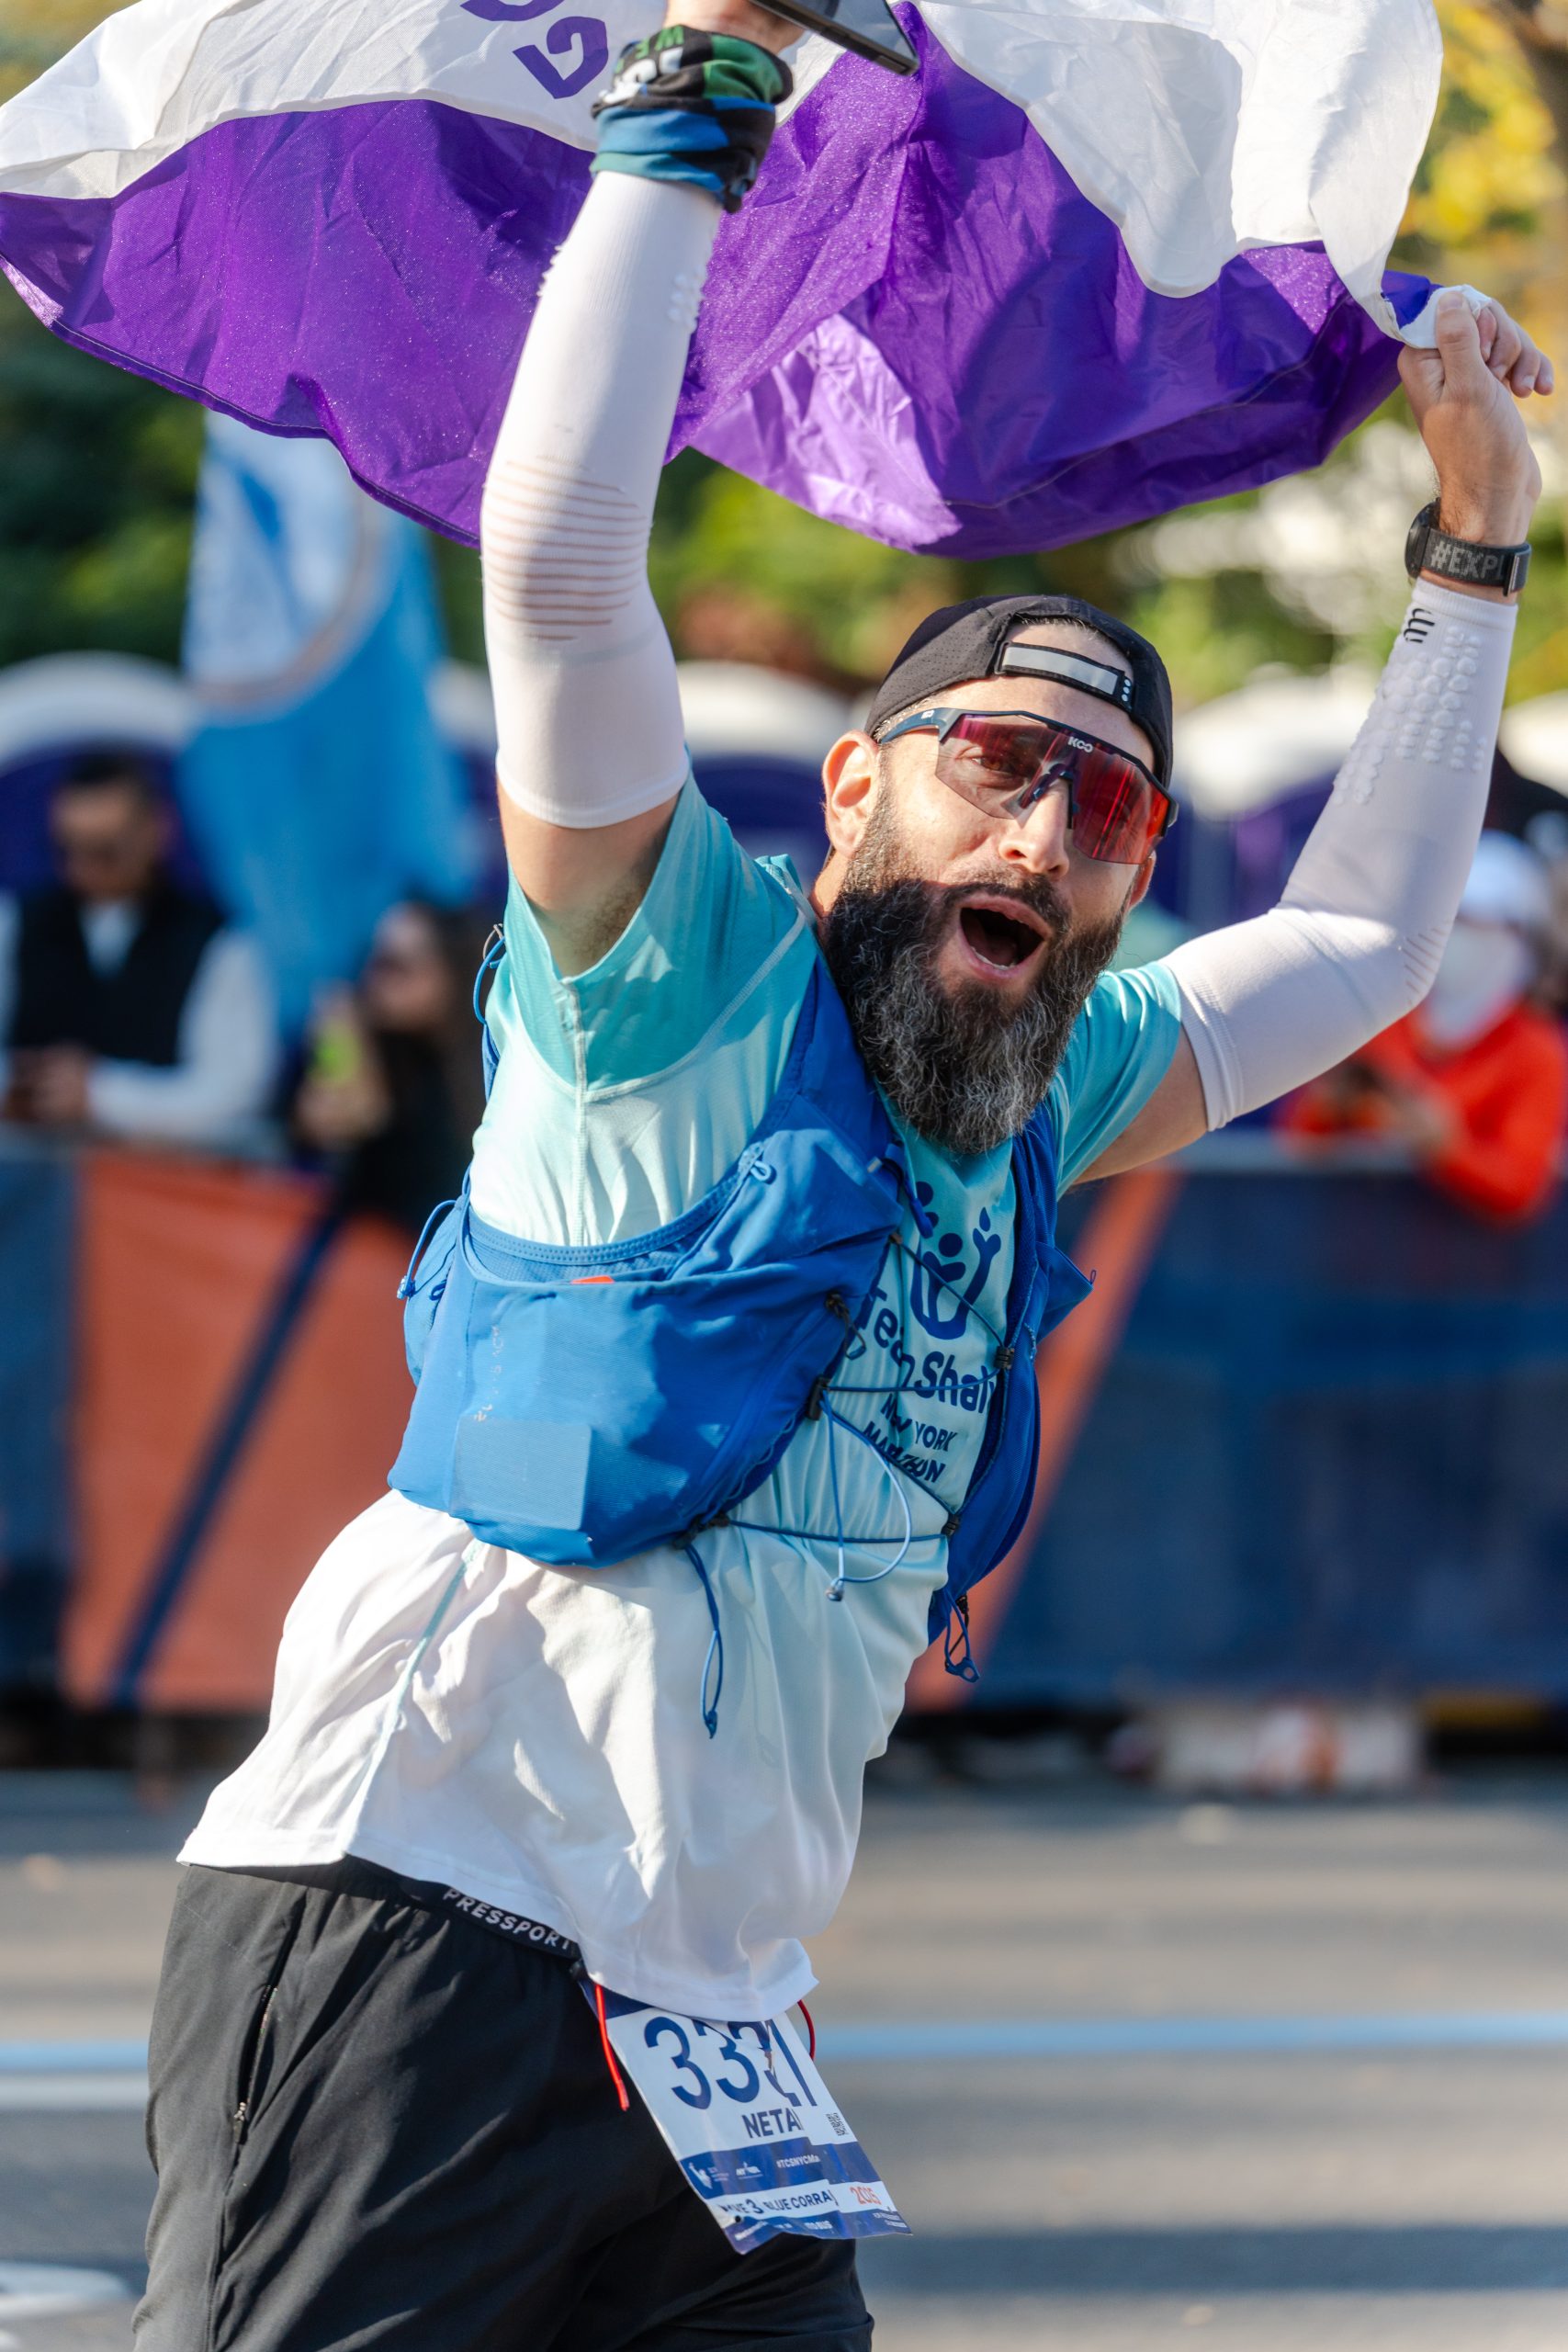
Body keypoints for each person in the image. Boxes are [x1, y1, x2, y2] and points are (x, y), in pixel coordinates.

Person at [134, 7, 1551, 2346]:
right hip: (419, 1917)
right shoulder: (669, 972)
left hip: (718, 2026)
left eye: (1105, 808)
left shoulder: (1041, 1082)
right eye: (995, 757)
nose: (1046, 824)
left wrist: (1470, 547)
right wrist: (692, 104)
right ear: (855, 792)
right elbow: (559, 567)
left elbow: (1367, 943)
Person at [1282, 830, 1568, 1221]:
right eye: (1449, 920)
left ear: (1516, 937)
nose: (1456, 935)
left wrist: (1445, 1146)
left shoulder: (1537, 1048)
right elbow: (1294, 1145)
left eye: (1473, 922)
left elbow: (1521, 1184)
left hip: (1467, 1255)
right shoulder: (1382, 1017)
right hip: (1357, 1244)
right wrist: (1328, 1107)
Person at [0, 752, 277, 1149]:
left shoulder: (218, 943)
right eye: (67, 849)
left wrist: (102, 1095)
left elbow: (237, 1093)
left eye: (105, 850)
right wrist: (21, 1086)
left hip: (159, 1176)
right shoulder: (15, 924)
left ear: (157, 831)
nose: (82, 868)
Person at [292, 899, 491, 1237]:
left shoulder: (482, 1065)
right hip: (368, 1249)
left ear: (451, 974)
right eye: (375, 958)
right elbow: (328, 1117)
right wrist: (340, 1034)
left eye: (398, 966)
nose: (377, 976)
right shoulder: (356, 1035)